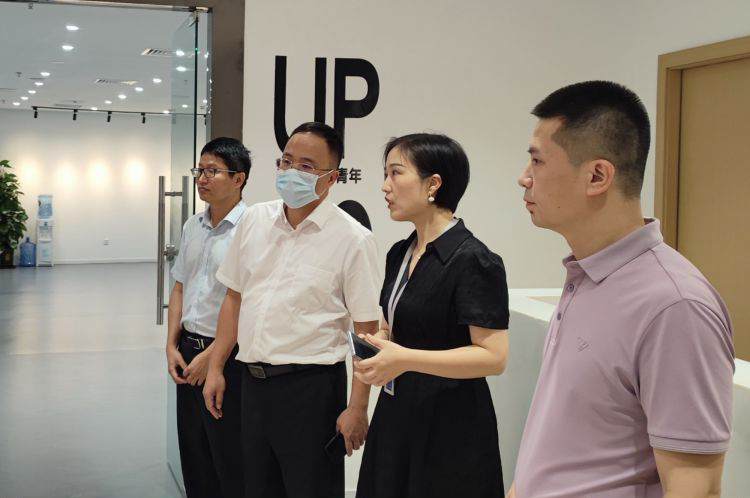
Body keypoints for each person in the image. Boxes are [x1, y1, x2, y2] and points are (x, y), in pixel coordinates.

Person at [508, 81, 735, 498]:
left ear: (597, 176)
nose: (524, 177)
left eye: (537, 161)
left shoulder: (674, 304)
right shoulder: (586, 275)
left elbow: (695, 486)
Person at [203, 122, 381, 498]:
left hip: (311, 391)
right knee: (257, 487)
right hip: (252, 384)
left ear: (331, 178)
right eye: (286, 161)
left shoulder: (352, 239)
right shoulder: (254, 220)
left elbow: (366, 330)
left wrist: (357, 407)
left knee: (310, 489)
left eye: (306, 166)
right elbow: (234, 297)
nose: (291, 172)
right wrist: (216, 366)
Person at [354, 133, 510, 498]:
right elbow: (395, 325)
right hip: (397, 412)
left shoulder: (474, 259)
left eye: (396, 173)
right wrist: (379, 343)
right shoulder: (400, 252)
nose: (385, 186)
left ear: (433, 184)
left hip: (450, 425)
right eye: (386, 174)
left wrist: (404, 358)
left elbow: (493, 357)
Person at [165, 137, 251, 498]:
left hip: (228, 357)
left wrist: (213, 356)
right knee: (194, 453)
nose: (202, 178)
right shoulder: (192, 226)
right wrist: (171, 345)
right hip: (188, 351)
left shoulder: (252, 228)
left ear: (238, 179)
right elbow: (179, 286)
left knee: (228, 456)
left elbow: (248, 302)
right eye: (199, 170)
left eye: (212, 171)